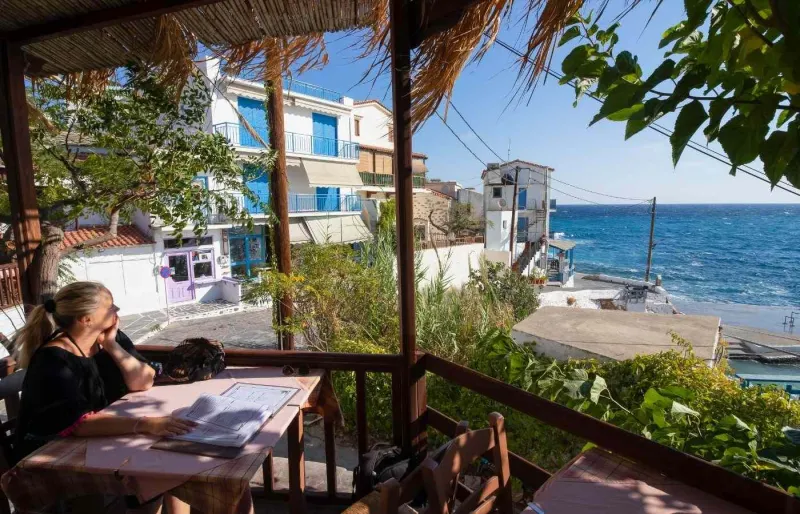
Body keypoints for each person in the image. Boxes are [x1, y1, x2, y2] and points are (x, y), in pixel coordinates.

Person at [13, 281, 195, 514]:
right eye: (110, 307)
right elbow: (78, 424)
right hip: (54, 453)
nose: (116, 310)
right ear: (86, 319)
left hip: (98, 439)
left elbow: (144, 381)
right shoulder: (54, 361)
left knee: (169, 459)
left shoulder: (109, 338)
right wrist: (147, 423)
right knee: (161, 464)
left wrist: (112, 346)